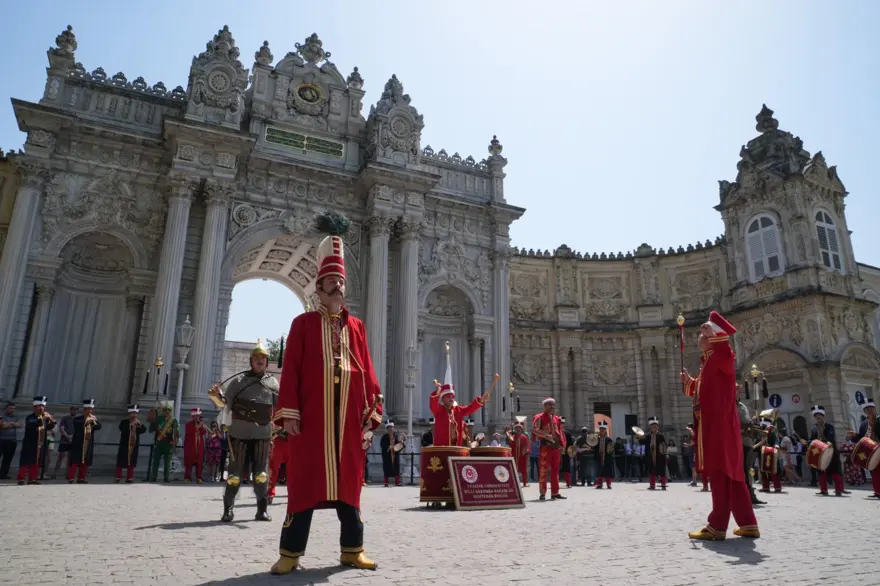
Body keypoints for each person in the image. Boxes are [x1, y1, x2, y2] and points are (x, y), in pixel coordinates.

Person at [271, 212, 383, 575]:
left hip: (349, 425)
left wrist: (372, 414)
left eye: (340, 281)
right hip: (312, 422)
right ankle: (290, 555)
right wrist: (289, 413)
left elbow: (367, 370)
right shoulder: (302, 325)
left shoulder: (358, 327)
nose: (337, 287)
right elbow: (291, 372)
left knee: (349, 490)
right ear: (318, 288)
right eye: (331, 281)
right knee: (304, 488)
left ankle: (353, 550)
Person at [681, 311, 759, 540]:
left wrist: (716, 333)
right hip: (719, 423)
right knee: (733, 475)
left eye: (703, 335)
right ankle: (748, 523)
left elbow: (726, 352)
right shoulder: (709, 362)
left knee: (719, 473)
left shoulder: (721, 354)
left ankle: (716, 525)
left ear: (713, 337)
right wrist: (690, 383)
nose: (699, 337)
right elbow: (706, 390)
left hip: (719, 425)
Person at [210, 339, 280, 522]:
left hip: (262, 435)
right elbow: (224, 404)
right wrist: (216, 396)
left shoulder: (273, 383)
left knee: (261, 475)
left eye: (263, 358)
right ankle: (228, 510)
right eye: (257, 357)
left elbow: (281, 409)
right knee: (234, 475)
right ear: (251, 360)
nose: (260, 361)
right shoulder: (238, 381)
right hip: (239, 434)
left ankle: (262, 510)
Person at [429, 347, 489, 446]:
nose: (451, 399)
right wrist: (437, 392)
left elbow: (470, 408)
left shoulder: (458, 410)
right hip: (442, 448)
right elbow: (432, 404)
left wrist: (480, 401)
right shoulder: (438, 410)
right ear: (443, 399)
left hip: (456, 448)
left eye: (452, 397)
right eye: (448, 397)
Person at [532, 397, 566, 501]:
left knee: (555, 470)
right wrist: (546, 435)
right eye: (550, 404)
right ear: (545, 406)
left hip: (555, 448)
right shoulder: (539, 417)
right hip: (545, 447)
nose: (552, 406)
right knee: (543, 470)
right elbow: (534, 429)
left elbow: (561, 432)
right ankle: (542, 493)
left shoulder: (557, 418)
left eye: (553, 404)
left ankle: (555, 492)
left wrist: (563, 445)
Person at [17, 396, 56, 485]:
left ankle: (32, 479)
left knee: (36, 461)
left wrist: (50, 419)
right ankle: (21, 479)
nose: (42, 408)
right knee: (25, 460)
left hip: (40, 442)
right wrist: (42, 418)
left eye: (43, 406)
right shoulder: (30, 417)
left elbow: (50, 426)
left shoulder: (45, 417)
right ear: (35, 407)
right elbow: (32, 424)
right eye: (40, 406)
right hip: (30, 442)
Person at [809, 405, 845, 496]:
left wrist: (828, 441)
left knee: (835, 471)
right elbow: (812, 440)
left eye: (819, 415)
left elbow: (831, 437)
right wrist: (808, 442)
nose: (818, 417)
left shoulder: (829, 427)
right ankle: (823, 490)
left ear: (823, 416)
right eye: (816, 416)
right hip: (819, 453)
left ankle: (838, 490)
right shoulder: (814, 429)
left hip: (830, 451)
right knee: (821, 471)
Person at [736, 388, 764, 505]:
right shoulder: (729, 405)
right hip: (739, 442)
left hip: (748, 442)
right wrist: (745, 427)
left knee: (748, 470)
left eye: (738, 390)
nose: (739, 392)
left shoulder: (742, 405)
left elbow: (747, 420)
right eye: (736, 390)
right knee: (743, 470)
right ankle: (747, 496)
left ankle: (750, 495)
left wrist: (752, 425)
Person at [67, 398, 102, 484]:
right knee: (75, 461)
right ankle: (71, 477)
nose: (89, 411)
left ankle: (81, 478)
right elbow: (77, 425)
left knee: (85, 461)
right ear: (84, 409)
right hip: (78, 443)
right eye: (88, 409)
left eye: (91, 409)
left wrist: (95, 421)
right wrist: (87, 421)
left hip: (88, 443)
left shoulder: (93, 419)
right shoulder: (78, 419)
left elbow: (98, 427)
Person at [850, 397, 879, 497]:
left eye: (871, 409)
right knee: (873, 471)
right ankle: (877, 491)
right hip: (870, 452)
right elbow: (861, 439)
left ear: (875, 409)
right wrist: (854, 436)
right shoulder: (864, 424)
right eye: (867, 410)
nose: (869, 411)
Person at [149, 400, 179, 483]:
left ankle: (166, 477)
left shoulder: (173, 420)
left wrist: (175, 443)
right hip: (159, 442)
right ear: (162, 410)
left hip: (168, 443)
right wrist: (153, 419)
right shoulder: (158, 419)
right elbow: (151, 429)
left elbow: (177, 433)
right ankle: (154, 476)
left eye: (168, 410)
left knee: (168, 462)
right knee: (156, 461)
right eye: (165, 410)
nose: (166, 411)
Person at [115, 404, 146, 483]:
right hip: (125, 444)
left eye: (136, 413)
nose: (134, 415)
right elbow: (122, 429)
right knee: (121, 461)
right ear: (129, 414)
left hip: (134, 445)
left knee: (132, 461)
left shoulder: (138, 422)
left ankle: (129, 478)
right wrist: (130, 425)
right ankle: (118, 477)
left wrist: (139, 425)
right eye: (133, 413)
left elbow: (143, 430)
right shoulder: (124, 422)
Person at [268, 411, 289, 503]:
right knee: (272, 470)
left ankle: (293, 494)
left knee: (293, 471)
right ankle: (269, 494)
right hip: (278, 442)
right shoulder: (273, 402)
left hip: (292, 441)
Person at [183, 408, 208, 483]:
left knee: (199, 463)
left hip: (199, 447)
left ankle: (199, 477)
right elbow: (191, 431)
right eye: (196, 416)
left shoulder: (200, 424)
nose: (197, 418)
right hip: (190, 447)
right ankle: (187, 477)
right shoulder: (188, 424)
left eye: (198, 416)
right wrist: (199, 426)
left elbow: (203, 432)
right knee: (189, 462)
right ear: (192, 416)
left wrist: (204, 428)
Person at [642, 416, 667, 490]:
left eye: (655, 426)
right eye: (653, 426)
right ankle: (652, 485)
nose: (654, 427)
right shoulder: (647, 436)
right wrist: (639, 437)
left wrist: (664, 452)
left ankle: (663, 485)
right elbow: (642, 442)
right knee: (651, 471)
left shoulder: (661, 435)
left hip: (660, 456)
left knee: (662, 471)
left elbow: (664, 445)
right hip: (650, 456)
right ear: (650, 427)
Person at [0, 402, 23, 479]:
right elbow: (2, 426)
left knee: (7, 459)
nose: (12, 410)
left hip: (12, 441)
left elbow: (20, 424)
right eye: (10, 408)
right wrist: (13, 424)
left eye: (13, 409)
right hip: (2, 440)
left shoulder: (16, 416)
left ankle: (3, 474)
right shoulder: (2, 416)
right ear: (6, 408)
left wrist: (10, 423)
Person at [759, 418, 782, 493]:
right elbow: (756, 444)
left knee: (775, 471)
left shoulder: (772, 434)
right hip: (762, 456)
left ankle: (777, 487)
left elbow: (776, 441)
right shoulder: (760, 435)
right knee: (763, 471)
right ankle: (765, 487)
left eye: (765, 427)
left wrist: (776, 445)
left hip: (772, 455)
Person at [506, 421, 530, 487]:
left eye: (519, 429)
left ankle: (525, 483)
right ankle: (513, 482)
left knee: (524, 470)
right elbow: (510, 444)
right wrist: (508, 436)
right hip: (514, 455)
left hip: (522, 456)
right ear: (515, 430)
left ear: (521, 430)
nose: (518, 430)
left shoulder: (524, 437)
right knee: (513, 469)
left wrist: (526, 451)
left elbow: (527, 445)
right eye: (517, 429)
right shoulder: (513, 437)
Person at [380, 421, 401, 487]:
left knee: (396, 468)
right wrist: (388, 447)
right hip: (387, 455)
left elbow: (399, 445)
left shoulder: (396, 436)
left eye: (391, 427)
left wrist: (401, 444)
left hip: (395, 454)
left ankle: (397, 482)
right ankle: (386, 482)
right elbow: (382, 445)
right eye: (389, 428)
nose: (390, 429)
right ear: (387, 429)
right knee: (386, 468)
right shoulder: (384, 436)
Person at [594, 422, 614, 488]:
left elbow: (611, 449)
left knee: (607, 471)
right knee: (599, 471)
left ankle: (609, 484)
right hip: (599, 457)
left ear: (605, 430)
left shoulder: (609, 440)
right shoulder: (597, 439)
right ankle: (599, 484)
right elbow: (594, 447)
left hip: (607, 457)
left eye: (603, 429)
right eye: (601, 429)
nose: (602, 431)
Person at [559, 417, 574, 488]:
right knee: (555, 468)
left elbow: (571, 444)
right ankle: (555, 484)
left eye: (562, 424)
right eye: (559, 424)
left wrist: (571, 453)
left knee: (567, 469)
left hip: (566, 453)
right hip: (557, 453)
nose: (560, 425)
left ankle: (568, 483)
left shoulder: (567, 433)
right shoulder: (555, 433)